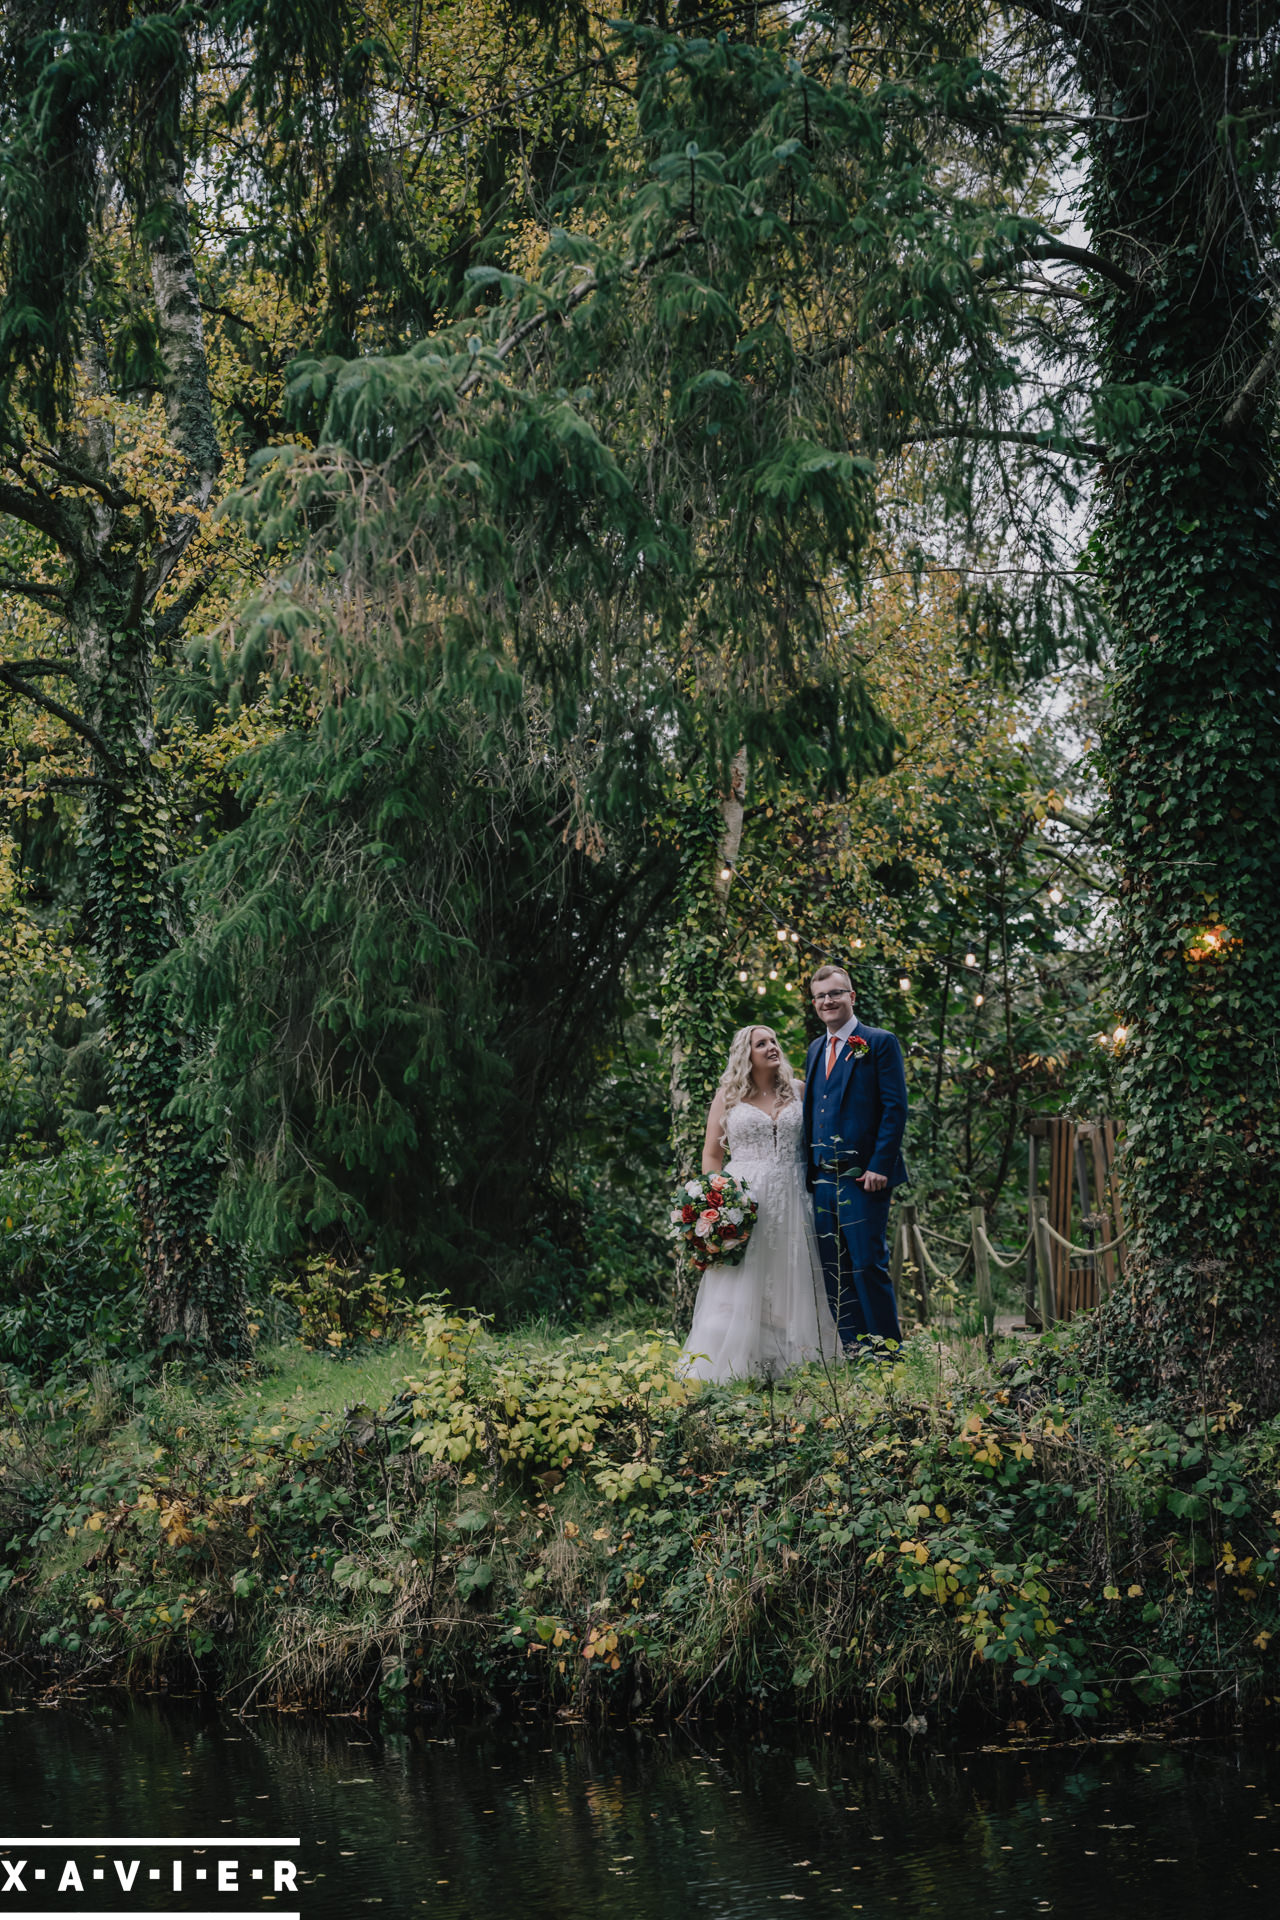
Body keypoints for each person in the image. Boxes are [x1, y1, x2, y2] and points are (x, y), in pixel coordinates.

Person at [680, 1024, 841, 1383]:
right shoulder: (729, 1096)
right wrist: (717, 1200)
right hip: (746, 1199)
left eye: (773, 1041)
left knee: (793, 1274)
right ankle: (738, 1364)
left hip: (793, 1194)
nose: (771, 1047)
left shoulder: (800, 1090)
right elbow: (711, 1154)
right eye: (761, 1043)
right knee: (744, 1279)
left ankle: (792, 1363)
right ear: (745, 1054)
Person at [801, 964, 909, 1357]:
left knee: (868, 1265)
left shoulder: (878, 1042)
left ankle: (888, 1353)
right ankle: (853, 1349)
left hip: (865, 1178)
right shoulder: (815, 1049)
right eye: (820, 996)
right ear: (814, 1003)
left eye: (835, 993)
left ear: (851, 996)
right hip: (823, 1179)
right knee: (834, 1269)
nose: (827, 1001)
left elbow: (895, 1109)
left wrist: (880, 1164)